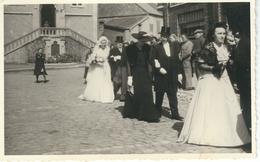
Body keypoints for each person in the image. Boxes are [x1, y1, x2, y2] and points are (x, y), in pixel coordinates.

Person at [177, 23, 251, 147]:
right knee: (212, 106)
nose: (222, 36)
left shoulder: (227, 48)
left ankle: (230, 133)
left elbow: (230, 63)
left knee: (227, 105)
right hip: (211, 79)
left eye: (223, 33)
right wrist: (213, 67)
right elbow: (200, 64)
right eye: (219, 33)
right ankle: (211, 133)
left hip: (224, 79)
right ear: (213, 34)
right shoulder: (209, 48)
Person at [122, 31, 160, 122]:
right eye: (143, 40)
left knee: (147, 92)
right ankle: (137, 112)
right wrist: (129, 77)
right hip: (135, 72)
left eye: (146, 40)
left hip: (145, 72)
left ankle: (148, 114)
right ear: (138, 39)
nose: (144, 42)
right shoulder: (129, 49)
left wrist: (155, 68)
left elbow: (151, 61)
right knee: (137, 92)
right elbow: (127, 64)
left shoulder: (148, 48)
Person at [150, 27, 183, 120]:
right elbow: (153, 59)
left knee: (173, 94)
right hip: (161, 75)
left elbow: (177, 60)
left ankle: (175, 114)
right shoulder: (156, 47)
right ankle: (157, 113)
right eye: (162, 36)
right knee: (159, 95)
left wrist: (179, 73)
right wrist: (159, 68)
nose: (163, 37)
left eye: (165, 36)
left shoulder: (174, 45)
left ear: (168, 36)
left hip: (172, 74)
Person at [79, 36, 114, 103]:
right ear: (100, 43)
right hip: (98, 68)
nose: (104, 44)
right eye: (102, 43)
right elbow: (91, 58)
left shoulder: (108, 49)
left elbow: (109, 57)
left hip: (105, 66)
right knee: (97, 80)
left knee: (105, 80)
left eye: (105, 43)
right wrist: (95, 61)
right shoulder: (97, 49)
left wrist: (105, 61)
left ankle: (105, 95)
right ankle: (95, 96)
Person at [233, 31, 251, 131]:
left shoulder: (244, 43)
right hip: (244, 79)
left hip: (245, 78)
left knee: (247, 103)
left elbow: (241, 63)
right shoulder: (241, 44)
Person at [109, 37, 127, 101]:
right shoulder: (113, 50)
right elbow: (109, 59)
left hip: (124, 67)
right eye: (119, 43)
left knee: (124, 81)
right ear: (116, 43)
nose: (120, 44)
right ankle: (113, 93)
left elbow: (128, 59)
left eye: (121, 43)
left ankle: (123, 96)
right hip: (116, 67)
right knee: (116, 81)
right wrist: (115, 58)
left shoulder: (125, 49)